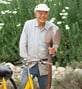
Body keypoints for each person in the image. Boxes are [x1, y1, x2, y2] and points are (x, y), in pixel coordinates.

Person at [19, 3, 61, 89]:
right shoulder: (28, 25)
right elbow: (23, 42)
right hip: (30, 63)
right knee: (23, 86)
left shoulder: (54, 28)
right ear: (35, 14)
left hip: (45, 65)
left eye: (45, 13)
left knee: (45, 87)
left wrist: (54, 50)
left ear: (48, 14)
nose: (43, 16)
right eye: (40, 13)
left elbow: (55, 47)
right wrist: (25, 57)